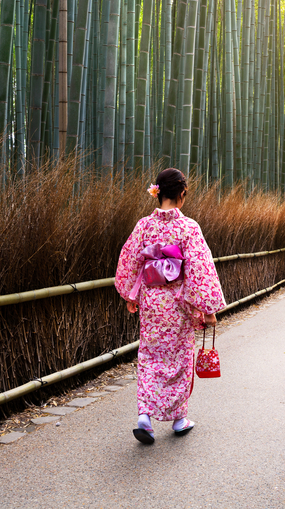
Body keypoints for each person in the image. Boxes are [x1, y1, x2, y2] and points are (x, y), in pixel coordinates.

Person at [114, 168, 226, 444]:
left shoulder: (144, 226)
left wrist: (132, 295)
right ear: (182, 195)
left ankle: (144, 416)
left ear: (158, 192)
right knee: (179, 358)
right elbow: (200, 270)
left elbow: (130, 261)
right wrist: (208, 309)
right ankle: (179, 419)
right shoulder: (188, 228)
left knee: (150, 356)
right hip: (178, 304)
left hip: (152, 303)